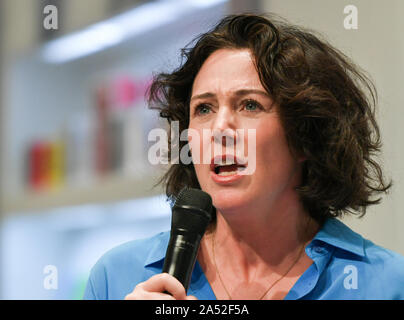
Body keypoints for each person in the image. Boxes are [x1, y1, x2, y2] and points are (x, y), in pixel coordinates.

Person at [83, 13, 404, 300]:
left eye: (250, 104)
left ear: (307, 134)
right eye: (204, 109)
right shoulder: (117, 277)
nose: (220, 127)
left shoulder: (386, 283)